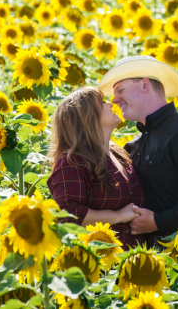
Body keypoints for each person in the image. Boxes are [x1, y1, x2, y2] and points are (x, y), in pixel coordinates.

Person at [98, 55, 178, 249]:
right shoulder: (134, 144)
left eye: (120, 90)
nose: (114, 99)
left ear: (144, 85)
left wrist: (159, 221)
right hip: (147, 255)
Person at [47, 86, 146, 248]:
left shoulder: (119, 154)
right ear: (87, 116)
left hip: (131, 262)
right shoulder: (72, 161)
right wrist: (118, 216)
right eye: (102, 102)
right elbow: (67, 215)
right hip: (97, 263)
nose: (111, 103)